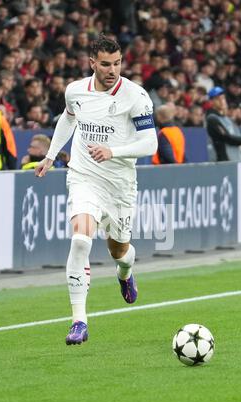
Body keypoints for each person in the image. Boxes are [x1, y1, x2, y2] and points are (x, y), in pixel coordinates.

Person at [35, 35, 157, 346]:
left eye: (117, 63)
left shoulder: (135, 96)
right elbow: (68, 118)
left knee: (119, 251)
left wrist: (113, 152)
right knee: (80, 239)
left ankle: (125, 273)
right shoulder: (75, 91)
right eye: (105, 64)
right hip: (83, 176)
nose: (112, 69)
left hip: (119, 185)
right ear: (93, 63)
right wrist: (50, 155)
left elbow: (150, 143)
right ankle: (79, 321)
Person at [205, 86, 241, 162]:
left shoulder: (227, 119)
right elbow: (228, 138)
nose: (221, 101)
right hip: (222, 163)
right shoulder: (212, 119)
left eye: (223, 98)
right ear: (211, 102)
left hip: (234, 161)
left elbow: (237, 137)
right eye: (217, 99)